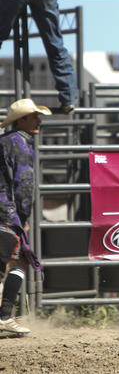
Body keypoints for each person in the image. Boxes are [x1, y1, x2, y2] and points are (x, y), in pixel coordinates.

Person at [0, 98, 50, 335]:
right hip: (7, 211)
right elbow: (25, 184)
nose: (38, 120)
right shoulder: (19, 144)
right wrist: (24, 217)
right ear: (22, 120)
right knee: (19, 260)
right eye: (34, 117)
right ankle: (5, 316)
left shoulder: (4, 141)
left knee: (1, 263)